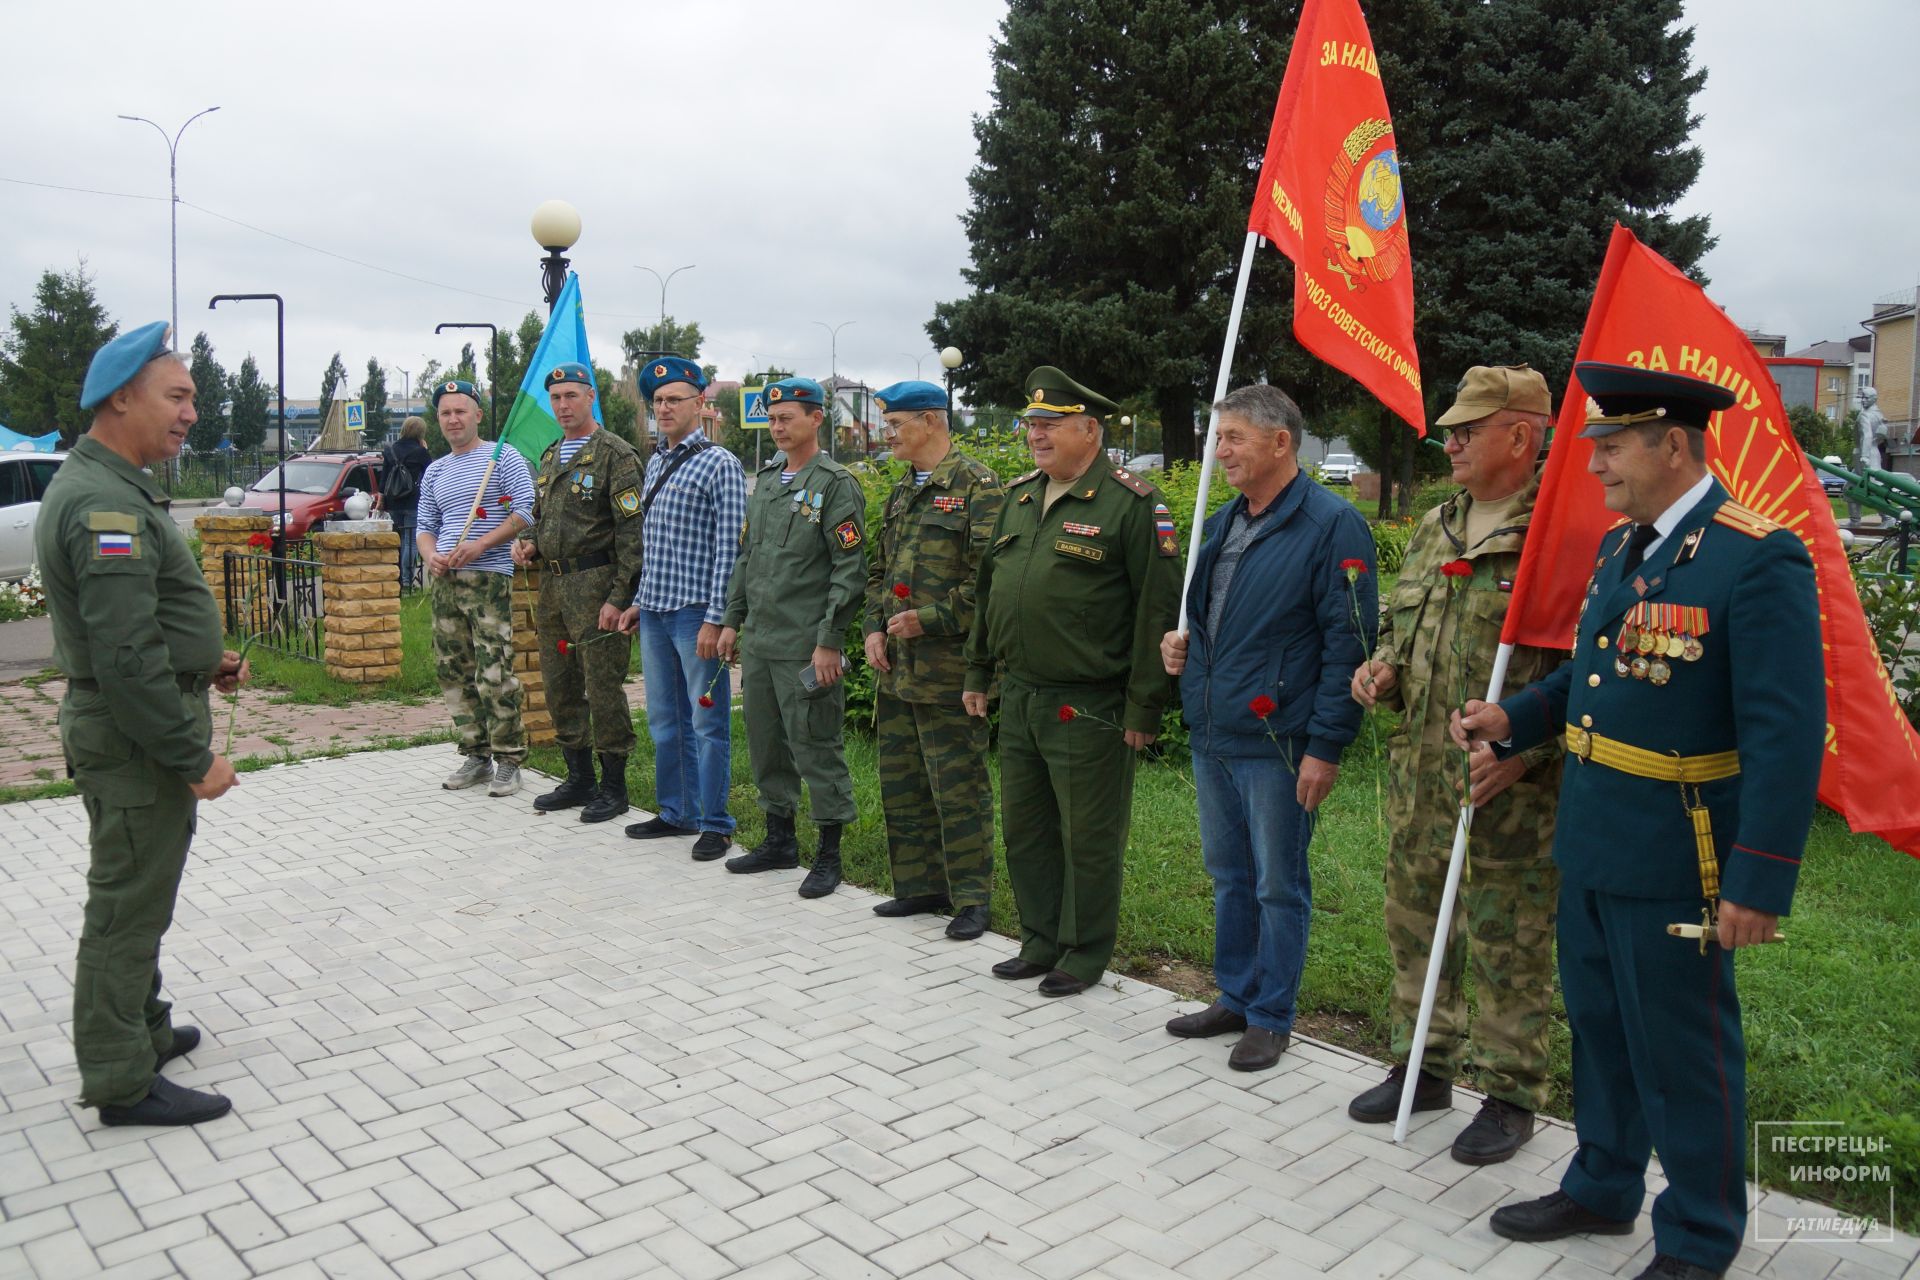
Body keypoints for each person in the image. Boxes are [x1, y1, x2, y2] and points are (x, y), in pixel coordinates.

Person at [1455, 363, 1824, 1280]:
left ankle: (1700, 1236)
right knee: (1602, 1031)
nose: (1596, 467)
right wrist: (1518, 721)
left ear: (1673, 444)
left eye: (1612, 448)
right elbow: (1595, 678)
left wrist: (1759, 879)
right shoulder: (1627, 547)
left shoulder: (1756, 555)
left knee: (1681, 1052)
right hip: (1592, 836)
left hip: (1679, 853)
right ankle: (1603, 1185)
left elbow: (1787, 737)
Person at [1345, 365, 1567, 1164]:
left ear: (1522, 434)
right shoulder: (1438, 525)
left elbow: (1588, 676)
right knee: (1414, 921)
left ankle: (1510, 1092)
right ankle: (1423, 1064)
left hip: (1512, 787)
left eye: (1469, 428)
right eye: (1450, 427)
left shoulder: (1563, 534)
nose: (1451, 440)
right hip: (1421, 778)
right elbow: (1401, 635)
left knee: (1509, 937)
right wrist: (1383, 672)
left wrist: (1527, 750)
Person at [37, 322, 249, 1126]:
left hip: (136, 727)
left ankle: (145, 1030)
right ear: (122, 397)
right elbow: (124, 659)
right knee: (126, 905)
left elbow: (138, 629)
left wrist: (206, 662)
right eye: (179, 396)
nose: (192, 413)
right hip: (134, 739)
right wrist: (193, 757)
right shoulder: (101, 504)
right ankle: (121, 1079)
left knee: (144, 893)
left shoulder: (115, 484)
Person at [1160, 384, 1374, 1069]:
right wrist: (1183, 650)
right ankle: (1236, 994)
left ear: (1281, 443)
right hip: (1215, 730)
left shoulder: (1332, 524)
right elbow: (1214, 617)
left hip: (1279, 741)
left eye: (1233, 438)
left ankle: (1272, 1015)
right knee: (1228, 873)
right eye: (1218, 438)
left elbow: (1351, 643)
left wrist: (1326, 745)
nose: (1220, 451)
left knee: (1278, 882)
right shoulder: (1223, 522)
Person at [963, 366, 1182, 997]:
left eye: (1049, 424)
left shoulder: (1133, 503)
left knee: (1086, 835)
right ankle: (1038, 939)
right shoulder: (1022, 495)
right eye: (1031, 424)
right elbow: (990, 591)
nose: (1036, 435)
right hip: (1022, 692)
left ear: (1089, 429)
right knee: (1027, 828)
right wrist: (980, 669)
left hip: (1090, 703)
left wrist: (1144, 707)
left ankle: (1083, 953)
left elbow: (1155, 612)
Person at [861, 379, 1004, 940]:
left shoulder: (978, 487)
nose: (886, 434)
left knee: (958, 783)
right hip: (897, 669)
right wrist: (875, 627)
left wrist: (931, 619)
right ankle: (921, 886)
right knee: (903, 781)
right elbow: (879, 571)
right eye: (885, 424)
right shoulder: (902, 491)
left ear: (932, 421)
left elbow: (987, 582)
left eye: (895, 425)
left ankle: (972, 898)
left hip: (949, 669)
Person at [717, 377, 866, 897]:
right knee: (767, 746)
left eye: (788, 418)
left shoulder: (835, 485)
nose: (778, 427)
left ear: (816, 419)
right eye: (773, 419)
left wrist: (830, 640)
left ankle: (829, 855)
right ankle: (779, 840)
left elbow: (850, 571)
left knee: (816, 746)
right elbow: (747, 559)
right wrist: (734, 620)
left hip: (806, 647)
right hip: (760, 642)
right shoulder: (770, 480)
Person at [617, 358, 747, 861]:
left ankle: (716, 822)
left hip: (698, 613)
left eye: (675, 399)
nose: (665, 408)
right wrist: (637, 602)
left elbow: (728, 550)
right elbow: (655, 546)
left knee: (707, 725)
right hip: (655, 611)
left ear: (700, 405)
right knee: (665, 720)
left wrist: (718, 617)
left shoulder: (721, 464)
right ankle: (677, 812)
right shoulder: (655, 462)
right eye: (658, 401)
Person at [511, 364, 645, 823]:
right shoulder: (550, 456)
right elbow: (542, 514)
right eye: (556, 398)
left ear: (591, 398)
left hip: (597, 588)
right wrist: (529, 542)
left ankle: (613, 785)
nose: (563, 405)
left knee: (603, 687)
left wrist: (620, 596)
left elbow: (633, 534)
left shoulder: (615, 455)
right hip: (552, 587)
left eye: (571, 395)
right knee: (559, 684)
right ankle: (579, 777)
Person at [417, 379, 536, 796]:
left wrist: (481, 544)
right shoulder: (436, 470)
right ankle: (476, 753)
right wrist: (429, 554)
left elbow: (525, 511)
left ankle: (509, 759)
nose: (453, 419)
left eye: (461, 411)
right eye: (446, 413)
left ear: (478, 415)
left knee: (493, 671)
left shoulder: (502, 458)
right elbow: (425, 527)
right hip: (446, 581)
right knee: (454, 671)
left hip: (487, 578)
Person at [385, 415, 433, 589]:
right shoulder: (420, 452)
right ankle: (406, 580)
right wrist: (425, 450)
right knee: (410, 541)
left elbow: (384, 478)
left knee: (396, 540)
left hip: (393, 502)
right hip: (413, 501)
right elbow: (431, 475)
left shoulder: (390, 449)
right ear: (421, 432)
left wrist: (382, 500)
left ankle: (394, 578)